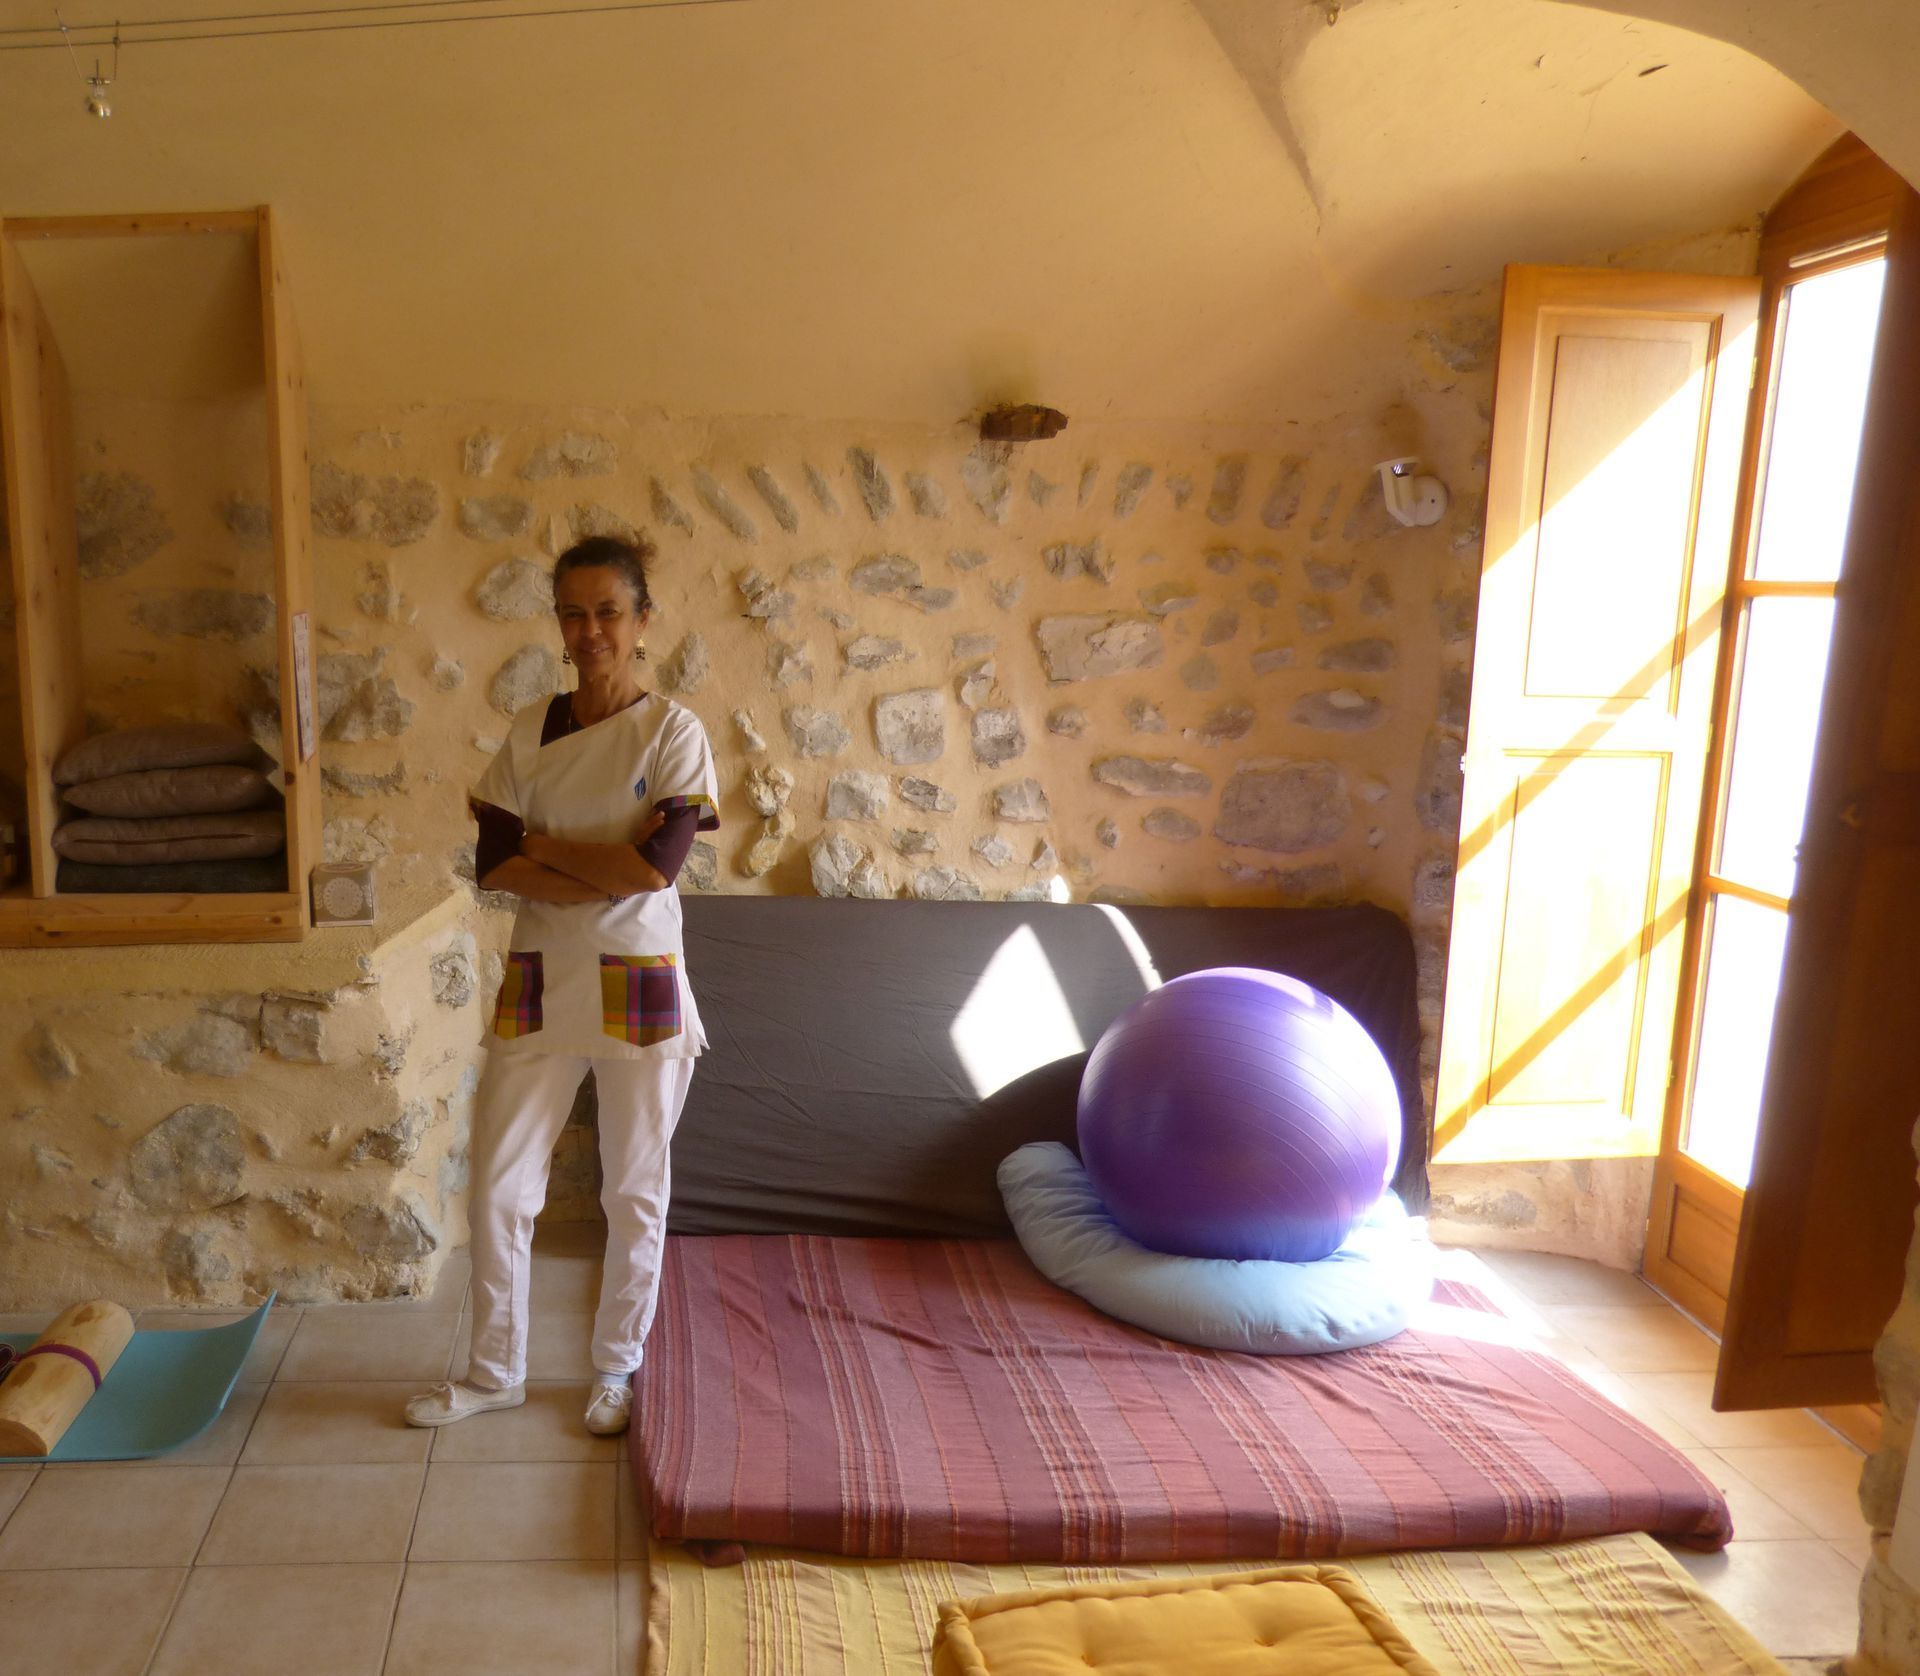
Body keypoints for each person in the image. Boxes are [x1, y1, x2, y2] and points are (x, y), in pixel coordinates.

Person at [405, 534, 718, 1436]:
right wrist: (593, 870)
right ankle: (495, 1369)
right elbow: (497, 866)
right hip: (542, 979)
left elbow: (656, 866)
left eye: (608, 612)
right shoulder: (528, 730)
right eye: (573, 614)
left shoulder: (674, 733)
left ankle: (616, 1367)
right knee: (499, 1188)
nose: (590, 632)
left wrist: (550, 850)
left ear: (643, 621)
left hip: (641, 981)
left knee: (633, 1190)